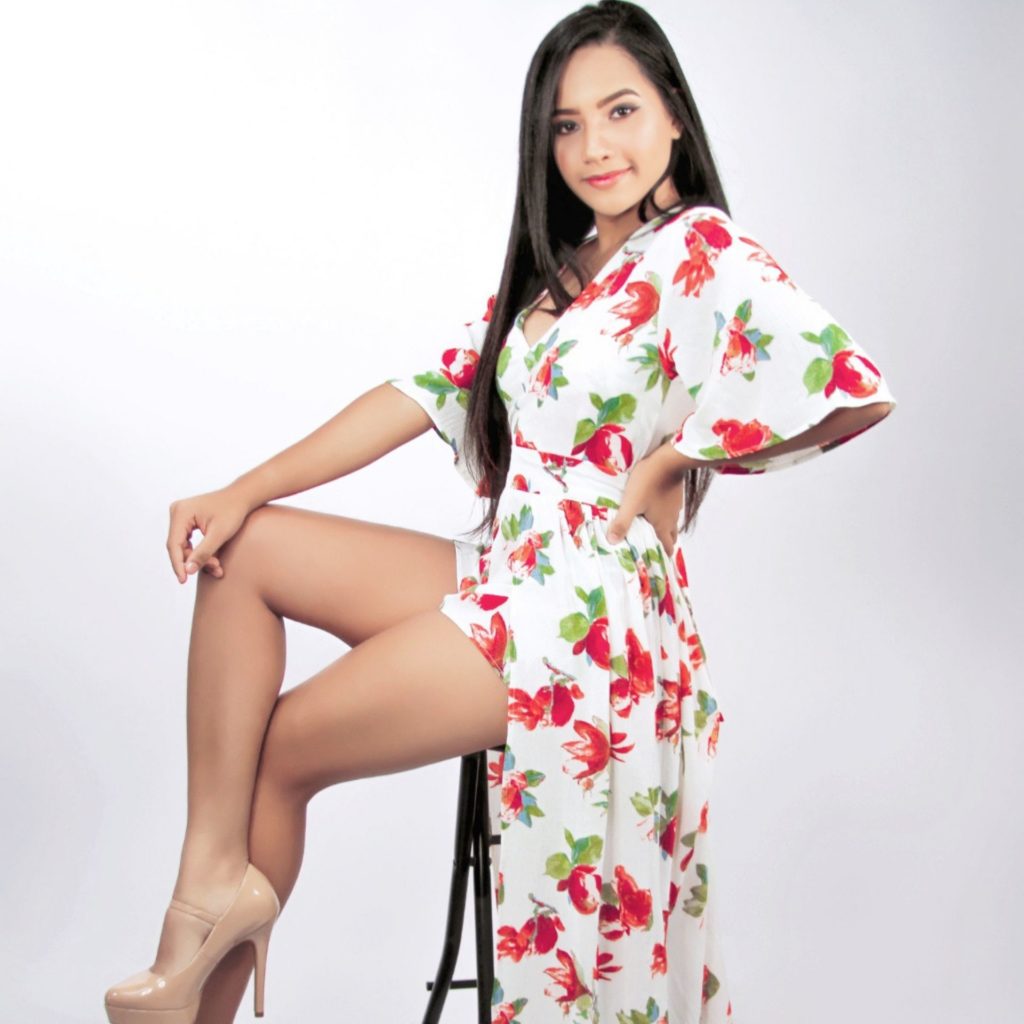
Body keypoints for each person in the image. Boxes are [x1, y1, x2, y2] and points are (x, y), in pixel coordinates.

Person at [103, 2, 898, 1022]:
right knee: (245, 548)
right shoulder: (559, 274)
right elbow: (421, 391)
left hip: (589, 610)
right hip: (513, 564)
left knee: (285, 742)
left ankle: (195, 977)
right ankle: (204, 900)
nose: (594, 146)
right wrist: (243, 486)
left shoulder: (700, 249)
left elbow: (852, 387)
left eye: (619, 111)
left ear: (674, 116)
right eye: (567, 124)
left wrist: (678, 457)